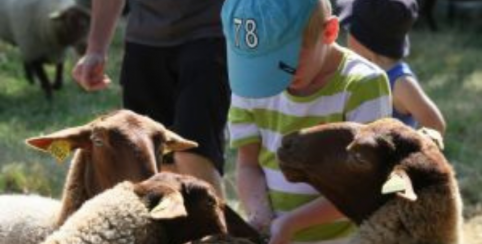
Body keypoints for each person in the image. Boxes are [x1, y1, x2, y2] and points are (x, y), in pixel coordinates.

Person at [221, 0, 392, 243]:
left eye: (283, 64)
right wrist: (261, 217)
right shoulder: (252, 84)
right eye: (259, 66)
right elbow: (248, 164)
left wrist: (292, 223)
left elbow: (365, 183)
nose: (270, 77)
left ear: (329, 32)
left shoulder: (362, 85)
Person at [72, 0, 230, 197]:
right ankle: (171, 225)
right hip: (144, 43)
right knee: (154, 158)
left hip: (210, 35)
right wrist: (95, 49)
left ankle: (215, 226)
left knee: (193, 151)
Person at [339, 0, 446, 135]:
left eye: (350, 29)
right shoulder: (358, 70)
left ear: (364, 38)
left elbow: (435, 124)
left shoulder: (400, 83)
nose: (346, 35)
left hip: (388, 155)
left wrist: (411, 150)